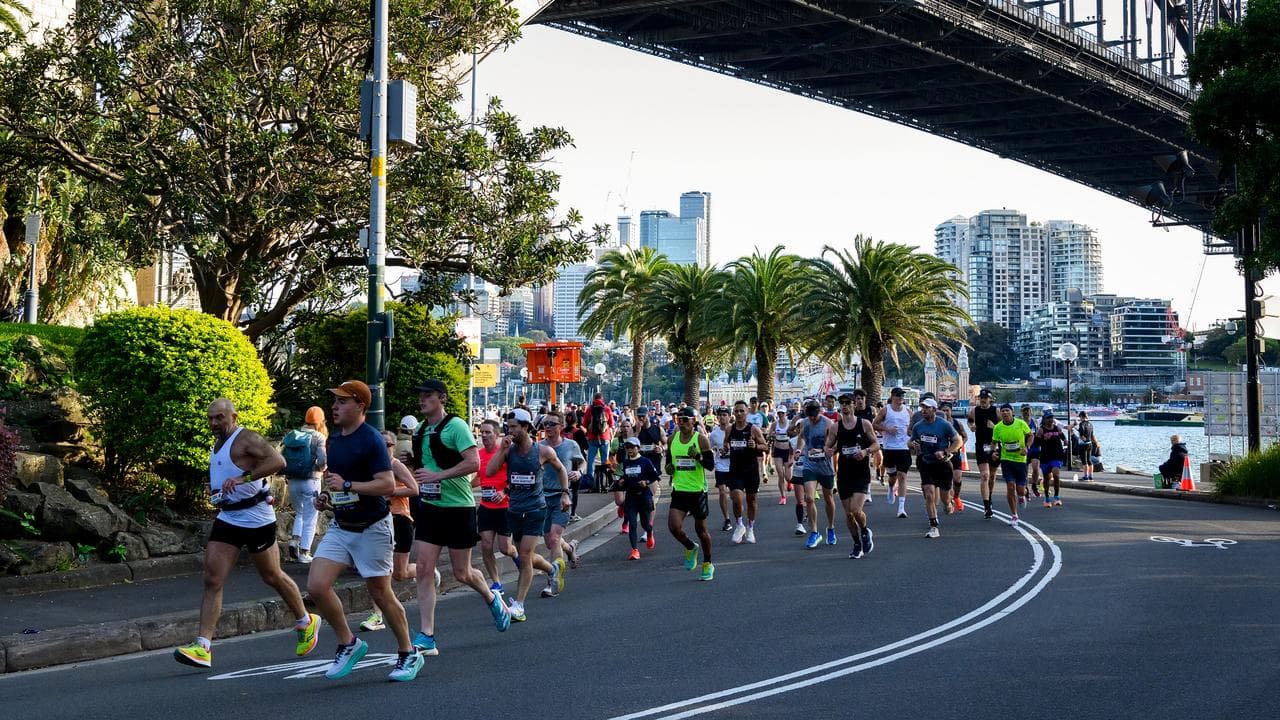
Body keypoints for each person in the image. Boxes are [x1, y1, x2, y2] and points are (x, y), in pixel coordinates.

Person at [173, 399, 319, 670]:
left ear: (233, 416)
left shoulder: (246, 438)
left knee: (271, 575)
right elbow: (226, 471)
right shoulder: (218, 443)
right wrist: (215, 487)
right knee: (212, 578)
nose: (214, 423)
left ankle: (306, 621)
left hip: (256, 519)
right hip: (228, 517)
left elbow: (278, 460)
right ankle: (203, 647)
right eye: (211, 418)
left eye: (219, 418)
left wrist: (244, 479)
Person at [305, 381, 421, 681]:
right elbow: (336, 480)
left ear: (360, 406)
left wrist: (347, 485)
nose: (334, 407)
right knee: (317, 586)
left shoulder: (371, 440)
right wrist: (327, 496)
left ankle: (409, 653)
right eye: (334, 402)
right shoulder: (335, 440)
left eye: (342, 402)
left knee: (380, 594)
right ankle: (349, 642)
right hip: (342, 525)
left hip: (373, 528)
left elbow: (385, 484)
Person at [408, 379, 511, 658]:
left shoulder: (456, 426)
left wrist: (437, 476)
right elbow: (422, 466)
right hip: (430, 506)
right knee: (423, 569)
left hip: (458, 507)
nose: (422, 400)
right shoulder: (419, 429)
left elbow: (473, 463)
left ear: (441, 398)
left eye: (427, 395)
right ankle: (427, 635)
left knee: (462, 572)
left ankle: (493, 598)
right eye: (420, 396)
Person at [486, 408, 564, 622]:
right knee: (521, 555)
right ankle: (552, 569)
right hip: (514, 510)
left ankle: (519, 606)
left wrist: (565, 493)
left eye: (514, 427)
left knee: (526, 556)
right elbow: (490, 471)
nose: (509, 431)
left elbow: (561, 469)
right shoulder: (509, 451)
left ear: (526, 427)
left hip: (535, 510)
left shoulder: (542, 451)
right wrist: (501, 450)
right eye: (508, 427)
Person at [358, 429, 421, 632]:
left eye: (388, 445)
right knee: (381, 570)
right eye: (381, 444)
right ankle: (377, 615)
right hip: (378, 521)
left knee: (400, 573)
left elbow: (414, 489)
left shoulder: (396, 465)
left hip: (400, 519)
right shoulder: (371, 467)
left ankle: (425, 570)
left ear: (393, 446)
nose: (385, 448)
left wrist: (391, 491)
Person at [666, 407, 716, 580]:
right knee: (673, 527)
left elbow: (710, 465)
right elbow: (668, 462)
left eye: (685, 419)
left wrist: (698, 457)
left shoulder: (701, 440)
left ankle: (708, 563)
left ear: (694, 421)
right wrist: (669, 469)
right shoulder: (672, 439)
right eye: (679, 419)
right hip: (679, 490)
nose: (682, 422)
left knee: (701, 530)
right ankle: (690, 547)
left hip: (697, 491)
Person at [538, 411, 584, 597]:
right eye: (545, 424)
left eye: (552, 424)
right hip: (541, 498)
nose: (548, 427)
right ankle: (570, 549)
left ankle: (553, 580)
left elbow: (582, 463)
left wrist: (579, 473)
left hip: (562, 497)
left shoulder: (571, 445)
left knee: (555, 538)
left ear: (561, 427)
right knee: (550, 541)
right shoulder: (538, 446)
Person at [829, 393, 878, 557]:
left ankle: (865, 531)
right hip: (844, 474)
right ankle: (857, 544)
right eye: (841, 403)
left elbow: (876, 444)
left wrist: (866, 451)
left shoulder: (864, 424)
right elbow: (829, 446)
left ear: (853, 405)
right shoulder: (835, 427)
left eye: (847, 403)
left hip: (861, 473)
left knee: (856, 510)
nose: (844, 406)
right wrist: (827, 450)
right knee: (848, 514)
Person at [908, 399, 962, 538]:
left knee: (944, 499)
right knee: (929, 494)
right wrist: (913, 444)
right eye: (922, 408)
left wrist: (945, 452)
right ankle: (933, 526)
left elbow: (958, 441)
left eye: (926, 408)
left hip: (942, 464)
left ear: (933, 409)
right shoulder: (918, 426)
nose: (923, 410)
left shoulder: (944, 424)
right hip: (926, 462)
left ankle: (948, 503)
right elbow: (910, 441)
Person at [475, 419, 518, 594]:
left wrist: (504, 492)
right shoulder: (478, 454)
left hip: (504, 506)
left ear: (497, 434)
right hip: (486, 506)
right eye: (482, 432)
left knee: (505, 548)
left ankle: (517, 557)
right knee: (485, 546)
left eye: (488, 432)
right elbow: (478, 478)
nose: (484, 435)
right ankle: (496, 583)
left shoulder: (506, 453)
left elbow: (515, 476)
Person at [283, 406, 328, 563]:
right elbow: (322, 460)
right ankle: (304, 553)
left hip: (293, 480)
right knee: (311, 517)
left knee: (300, 513)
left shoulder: (293, 434)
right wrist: (321, 468)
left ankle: (294, 541)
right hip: (311, 481)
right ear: (321, 421)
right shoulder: (319, 437)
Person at [795, 400, 837, 549]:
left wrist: (825, 449)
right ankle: (814, 532)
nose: (812, 419)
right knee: (809, 498)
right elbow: (801, 438)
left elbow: (834, 442)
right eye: (810, 416)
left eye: (814, 415)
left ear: (819, 412)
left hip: (825, 465)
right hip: (810, 464)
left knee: (828, 498)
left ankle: (830, 528)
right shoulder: (805, 423)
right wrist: (799, 450)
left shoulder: (828, 423)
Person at [726, 400, 768, 545]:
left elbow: (765, 447)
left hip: (751, 470)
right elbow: (726, 444)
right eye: (736, 411)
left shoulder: (753, 429)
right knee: (736, 499)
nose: (738, 413)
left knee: (751, 500)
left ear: (747, 412)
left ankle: (750, 528)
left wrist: (756, 445)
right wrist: (724, 449)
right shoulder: (730, 429)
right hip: (735, 469)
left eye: (741, 411)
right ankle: (739, 525)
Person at [990, 403, 1034, 525]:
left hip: (1020, 460)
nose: (1005, 413)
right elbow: (993, 442)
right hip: (1006, 460)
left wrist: (1027, 447)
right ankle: (1014, 515)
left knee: (1020, 490)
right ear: (1000, 413)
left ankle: (1022, 495)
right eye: (1002, 411)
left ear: (1012, 412)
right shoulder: (998, 427)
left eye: (1007, 410)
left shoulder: (1021, 424)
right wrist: (993, 452)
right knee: (1010, 487)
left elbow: (1030, 435)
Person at [873, 387, 913, 518]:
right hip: (890, 448)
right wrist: (888, 429)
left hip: (904, 448)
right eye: (898, 395)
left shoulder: (908, 411)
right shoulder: (886, 410)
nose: (900, 398)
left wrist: (913, 438)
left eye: (902, 396)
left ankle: (901, 508)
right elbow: (874, 424)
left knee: (902, 476)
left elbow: (914, 428)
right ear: (892, 397)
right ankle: (890, 487)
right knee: (892, 477)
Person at [618, 437, 659, 559]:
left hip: (644, 496)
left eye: (632, 447)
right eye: (627, 447)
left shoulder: (645, 461)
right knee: (632, 523)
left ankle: (650, 532)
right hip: (631, 497)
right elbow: (626, 477)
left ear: (638, 448)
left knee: (645, 524)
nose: (629, 450)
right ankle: (634, 550)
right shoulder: (626, 463)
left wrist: (646, 482)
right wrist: (622, 481)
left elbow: (655, 476)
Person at [968, 389, 1000, 518]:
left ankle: (989, 496)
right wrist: (972, 426)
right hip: (981, 446)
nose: (983, 400)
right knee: (985, 475)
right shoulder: (974, 410)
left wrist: (995, 427)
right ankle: (986, 507)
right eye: (981, 398)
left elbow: (1004, 427)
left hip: (994, 446)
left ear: (990, 399)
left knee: (992, 476)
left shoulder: (996, 411)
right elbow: (970, 420)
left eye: (985, 398)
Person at [708, 407, 735, 532]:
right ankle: (727, 519)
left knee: (735, 496)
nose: (722, 417)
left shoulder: (735, 431)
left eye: (725, 415)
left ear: (729, 416)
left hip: (734, 467)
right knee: (722, 492)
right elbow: (709, 449)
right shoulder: (714, 434)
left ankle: (738, 518)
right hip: (720, 466)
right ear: (717, 417)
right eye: (720, 415)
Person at [582, 393, 615, 495]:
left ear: (594, 399)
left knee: (590, 461)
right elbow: (611, 424)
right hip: (604, 438)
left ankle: (591, 483)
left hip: (592, 438)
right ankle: (605, 483)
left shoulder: (589, 409)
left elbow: (584, 424)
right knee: (605, 461)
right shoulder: (607, 409)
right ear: (602, 399)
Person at [940, 402, 968, 513]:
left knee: (957, 478)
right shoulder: (938, 423)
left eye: (947, 410)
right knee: (946, 480)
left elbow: (965, 436)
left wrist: (959, 445)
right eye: (943, 410)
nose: (945, 412)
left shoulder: (957, 423)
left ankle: (956, 497)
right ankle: (948, 501)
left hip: (955, 454)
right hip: (943, 455)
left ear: (951, 411)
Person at [1038, 413, 1068, 505]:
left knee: (1056, 474)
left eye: (1051, 417)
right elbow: (1037, 442)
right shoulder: (1041, 430)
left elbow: (1063, 437)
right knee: (1046, 478)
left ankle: (1056, 497)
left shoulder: (1056, 428)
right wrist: (1044, 439)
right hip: (1045, 457)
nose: (1050, 419)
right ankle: (1046, 498)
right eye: (1048, 418)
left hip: (1056, 455)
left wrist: (1065, 441)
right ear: (1045, 420)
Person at [771, 407, 796, 508]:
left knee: (788, 476)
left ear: (786, 413)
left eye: (782, 413)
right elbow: (769, 434)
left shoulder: (790, 423)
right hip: (777, 450)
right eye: (779, 413)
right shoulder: (774, 424)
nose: (780, 414)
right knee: (780, 474)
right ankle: (783, 496)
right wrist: (772, 434)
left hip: (788, 450)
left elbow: (795, 434)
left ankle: (789, 482)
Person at [1020, 405, 1041, 503]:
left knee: (1036, 468)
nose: (1027, 412)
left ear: (1031, 412)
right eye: (1025, 411)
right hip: (1024, 449)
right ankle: (1026, 489)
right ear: (1022, 412)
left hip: (1035, 449)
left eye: (1028, 410)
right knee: (1025, 472)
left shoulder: (1035, 422)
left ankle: (1034, 486)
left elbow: (1039, 434)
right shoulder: (1019, 423)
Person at [1072, 411, 1100, 480]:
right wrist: (1096, 443)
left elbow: (1082, 435)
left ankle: (1086, 476)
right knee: (1089, 460)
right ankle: (1091, 476)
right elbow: (1092, 435)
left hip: (1083, 445)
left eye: (1080, 417)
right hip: (1090, 444)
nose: (1080, 418)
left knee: (1084, 461)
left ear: (1081, 416)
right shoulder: (1090, 424)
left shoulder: (1081, 424)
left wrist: (1084, 439)